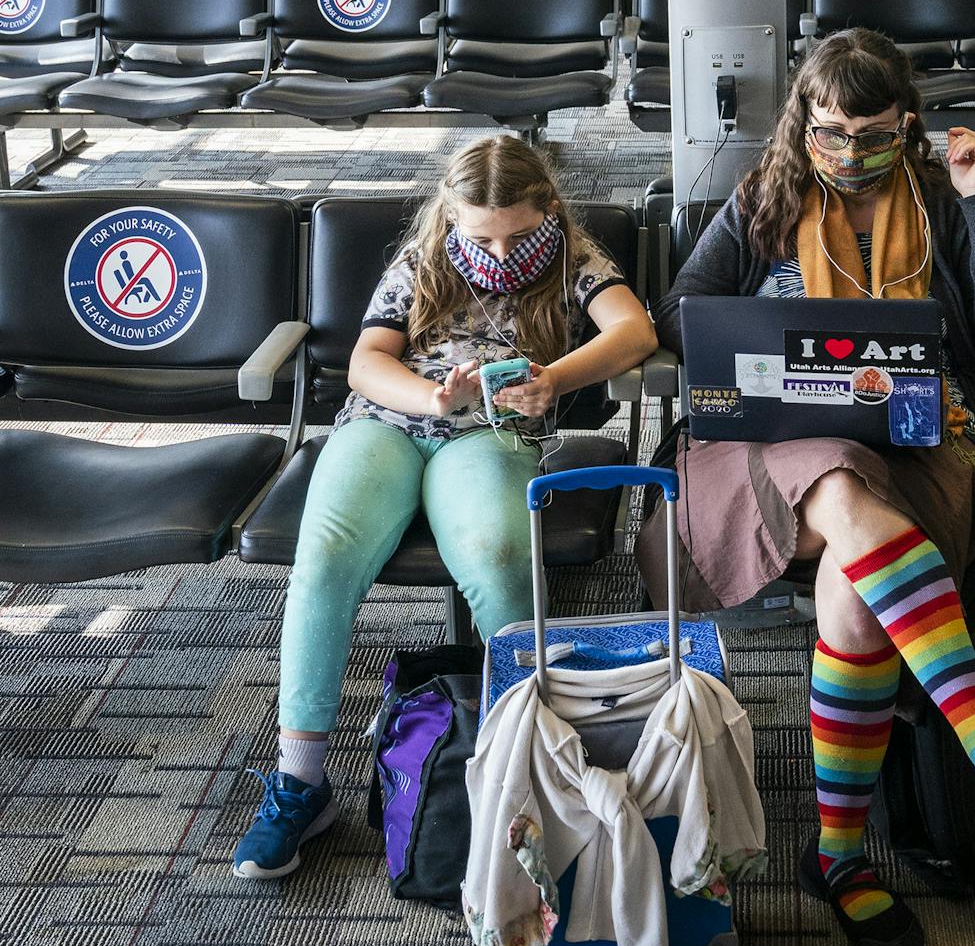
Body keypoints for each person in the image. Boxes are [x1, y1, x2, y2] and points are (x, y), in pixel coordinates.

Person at [636, 30, 975, 946]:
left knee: (853, 596)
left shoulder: (942, 201)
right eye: (831, 131)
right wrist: (773, 338)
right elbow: (685, 314)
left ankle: (835, 857)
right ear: (805, 121)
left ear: (905, 124)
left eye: (873, 133)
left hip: (924, 445)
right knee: (831, 476)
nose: (850, 152)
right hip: (771, 448)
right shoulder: (766, 194)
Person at [231, 137, 658, 880]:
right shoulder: (427, 254)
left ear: (549, 209)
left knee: (499, 559)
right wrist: (430, 396)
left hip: (488, 433)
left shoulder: (574, 257)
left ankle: (525, 761)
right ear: (452, 215)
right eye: (480, 235)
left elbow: (635, 332)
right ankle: (301, 780)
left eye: (519, 234)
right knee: (325, 558)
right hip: (386, 423)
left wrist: (553, 378)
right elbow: (367, 360)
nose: (498, 251)